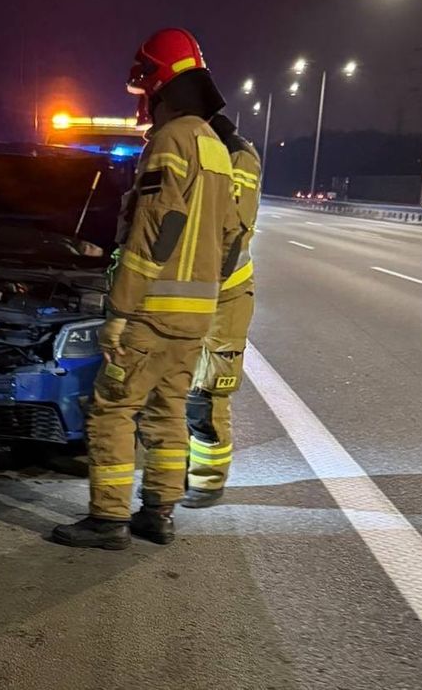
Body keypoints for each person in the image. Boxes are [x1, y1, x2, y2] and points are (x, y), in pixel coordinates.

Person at [52, 28, 242, 549]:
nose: (143, 103)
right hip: (194, 315)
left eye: (143, 90)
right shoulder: (216, 147)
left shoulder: (171, 139)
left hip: (151, 312)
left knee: (113, 409)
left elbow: (155, 231)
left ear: (159, 81)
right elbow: (231, 236)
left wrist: (119, 308)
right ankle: (158, 514)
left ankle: (107, 519)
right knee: (168, 411)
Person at [181, 112, 260, 507]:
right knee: (171, 391)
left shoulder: (236, 155)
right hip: (186, 295)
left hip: (223, 298)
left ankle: (208, 482)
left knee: (204, 398)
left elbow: (229, 234)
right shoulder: (189, 147)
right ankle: (173, 474)